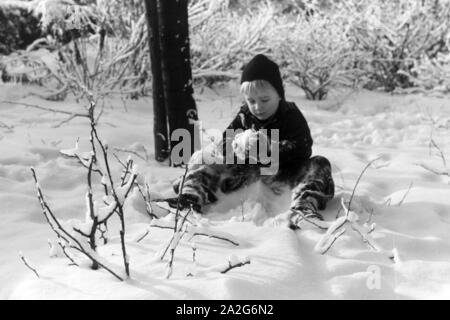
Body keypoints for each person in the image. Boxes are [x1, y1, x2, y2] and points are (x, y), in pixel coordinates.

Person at [170, 54, 334, 228]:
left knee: (319, 164)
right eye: (251, 101)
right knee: (209, 161)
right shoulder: (245, 116)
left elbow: (303, 146)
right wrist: (239, 145)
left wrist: (272, 148)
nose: (257, 106)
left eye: (264, 100)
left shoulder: (290, 115)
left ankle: (303, 207)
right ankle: (190, 195)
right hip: (249, 174)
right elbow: (224, 145)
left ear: (279, 95)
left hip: (286, 174)